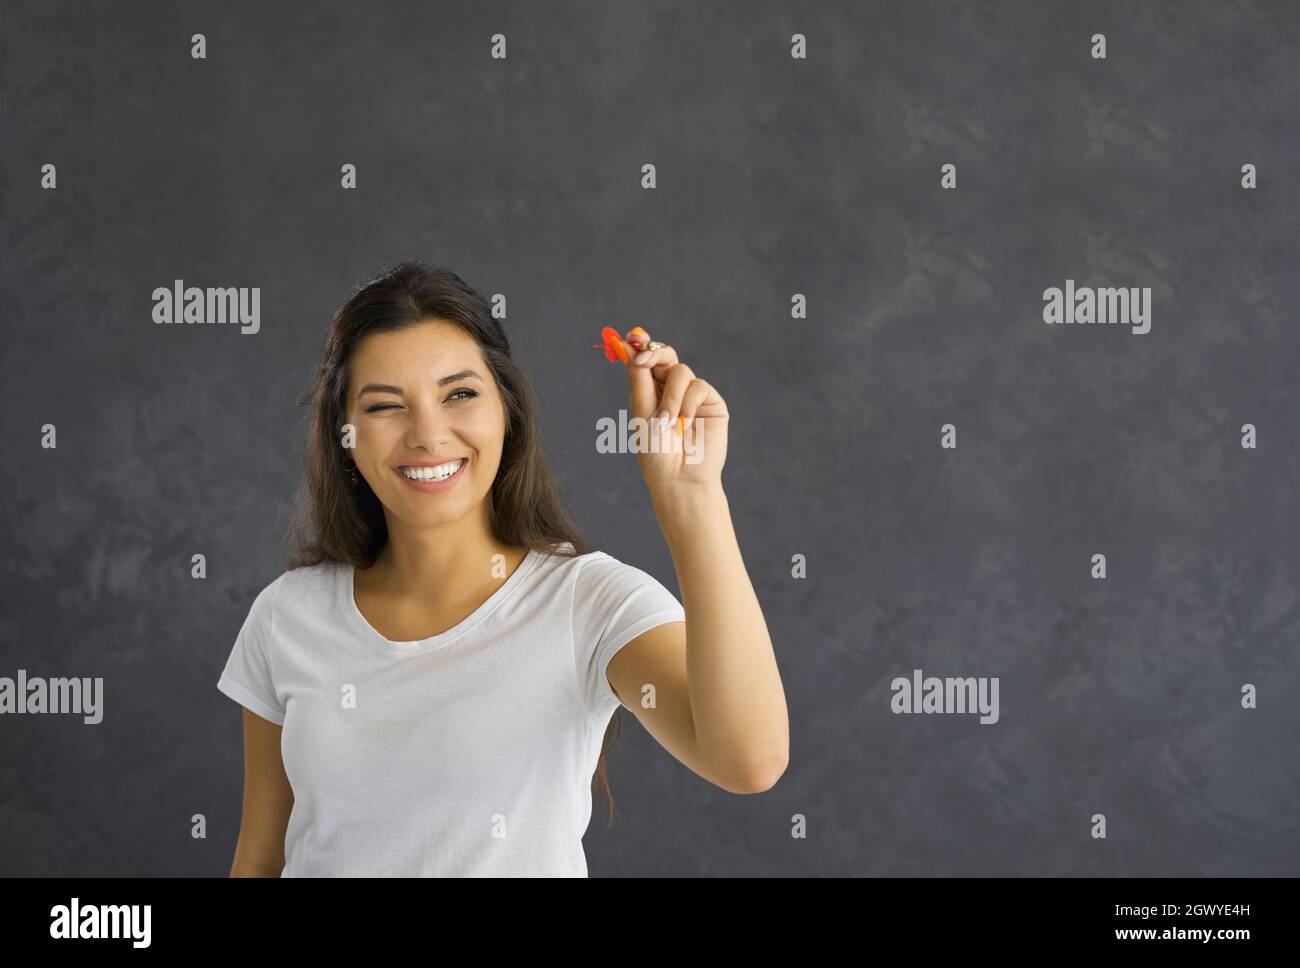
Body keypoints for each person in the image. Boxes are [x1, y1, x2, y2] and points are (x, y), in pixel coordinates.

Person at [216, 261, 788, 876]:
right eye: (386, 406)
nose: (429, 435)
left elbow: (747, 761)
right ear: (346, 436)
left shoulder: (588, 601)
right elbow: (259, 859)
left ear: (507, 413)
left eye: (459, 394)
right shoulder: (287, 614)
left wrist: (692, 498)